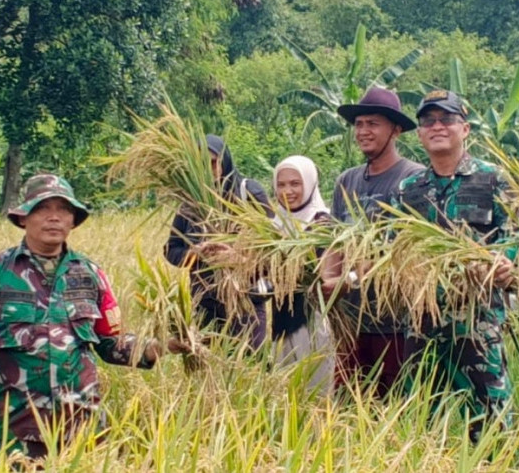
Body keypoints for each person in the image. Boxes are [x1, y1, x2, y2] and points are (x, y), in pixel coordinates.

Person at [0, 174, 180, 458]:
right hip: (13, 432)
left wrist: (159, 347)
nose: (54, 217)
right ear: (23, 218)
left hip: (82, 431)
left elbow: (110, 342)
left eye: (63, 210)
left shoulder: (90, 274)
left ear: (73, 221)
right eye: (42, 208)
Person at [394, 89, 514, 442]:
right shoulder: (409, 189)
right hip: (423, 325)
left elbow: (518, 236)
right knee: (423, 424)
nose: (437, 126)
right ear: (419, 134)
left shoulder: (493, 179)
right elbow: (395, 246)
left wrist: (504, 262)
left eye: (446, 119)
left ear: (465, 129)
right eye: (428, 121)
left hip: (476, 324)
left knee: (491, 427)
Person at [322, 86, 424, 397]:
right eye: (359, 124)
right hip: (350, 321)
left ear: (395, 130)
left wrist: (350, 278)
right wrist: (328, 278)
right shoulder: (347, 180)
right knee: (348, 407)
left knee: (391, 405)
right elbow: (336, 240)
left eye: (373, 124)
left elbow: (404, 253)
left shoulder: (413, 179)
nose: (363, 132)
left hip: (394, 323)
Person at [164, 134, 272, 349]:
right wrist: (195, 253)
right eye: (201, 164)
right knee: (212, 368)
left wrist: (236, 258)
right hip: (205, 304)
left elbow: (271, 252)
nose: (208, 170)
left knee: (249, 368)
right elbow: (171, 249)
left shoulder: (248, 193)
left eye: (212, 163)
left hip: (245, 303)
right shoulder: (191, 202)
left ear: (224, 161)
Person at [272, 155, 335, 393]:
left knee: (315, 388)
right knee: (283, 391)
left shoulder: (322, 223)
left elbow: (324, 274)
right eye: (281, 184)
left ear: (309, 184)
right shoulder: (273, 226)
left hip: (314, 320)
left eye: (295, 184)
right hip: (280, 320)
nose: (288, 191)